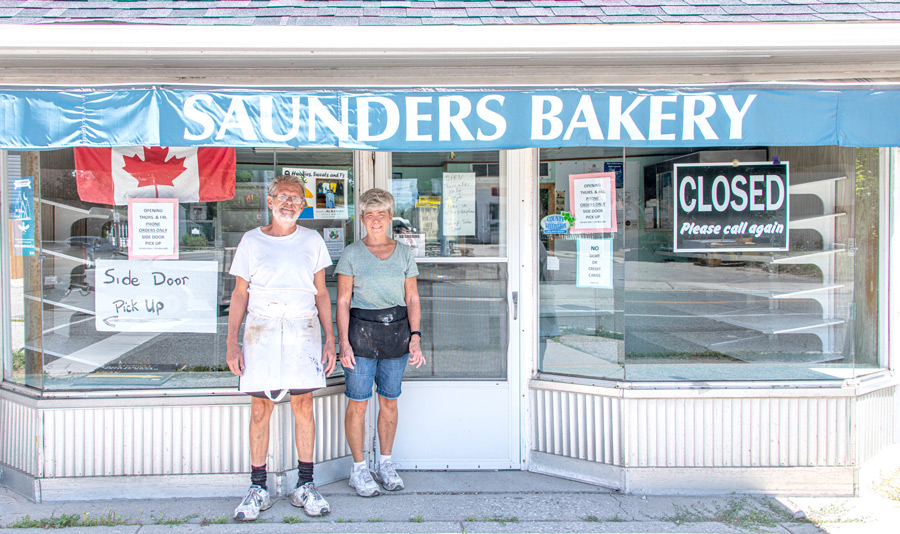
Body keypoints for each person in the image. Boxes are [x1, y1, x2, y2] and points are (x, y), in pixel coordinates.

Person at [226, 174, 337, 521]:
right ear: (270, 201)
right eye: (283, 197)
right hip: (261, 330)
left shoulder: (312, 240)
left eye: (296, 198)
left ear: (303, 205)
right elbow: (239, 294)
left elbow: (322, 293)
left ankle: (305, 484)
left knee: (304, 405)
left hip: (303, 329)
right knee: (261, 408)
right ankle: (258, 487)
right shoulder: (251, 241)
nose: (290, 203)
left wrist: (330, 338)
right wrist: (232, 343)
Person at [335, 188, 425, 498]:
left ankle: (385, 463)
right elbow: (343, 301)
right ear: (362, 218)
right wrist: (344, 342)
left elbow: (412, 298)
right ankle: (359, 468)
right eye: (370, 215)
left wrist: (415, 337)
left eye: (381, 214)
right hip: (360, 334)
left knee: (389, 401)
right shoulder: (351, 254)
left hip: (396, 333)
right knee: (358, 402)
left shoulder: (404, 253)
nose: (375, 220)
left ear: (390, 217)